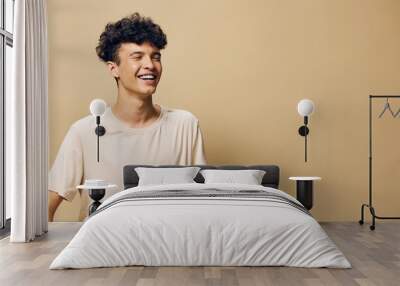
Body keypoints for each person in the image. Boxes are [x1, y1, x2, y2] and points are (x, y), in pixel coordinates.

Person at [48, 13, 207, 221]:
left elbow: (205, 201)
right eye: (137, 57)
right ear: (114, 69)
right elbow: (45, 208)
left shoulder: (185, 125)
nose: (150, 64)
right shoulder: (83, 132)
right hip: (101, 249)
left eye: (155, 56)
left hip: (168, 248)